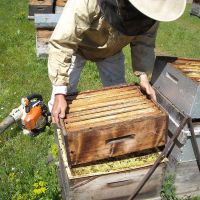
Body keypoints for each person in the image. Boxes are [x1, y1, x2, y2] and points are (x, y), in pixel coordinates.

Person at [48, 0, 186, 127]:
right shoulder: (86, 2)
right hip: (78, 49)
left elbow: (144, 41)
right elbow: (63, 42)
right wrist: (60, 92)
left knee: (119, 97)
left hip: (111, 53)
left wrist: (143, 77)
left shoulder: (153, 11)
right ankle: (57, 130)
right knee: (60, 102)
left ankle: (117, 129)